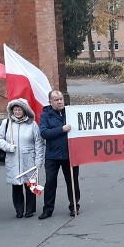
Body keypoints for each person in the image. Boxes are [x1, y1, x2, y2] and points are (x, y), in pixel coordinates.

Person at [0, 98, 45, 218]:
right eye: (15, 110)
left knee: (30, 185)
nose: (17, 112)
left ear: (25, 111)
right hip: (13, 159)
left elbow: (38, 142)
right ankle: (19, 209)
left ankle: (30, 209)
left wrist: (39, 160)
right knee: (16, 186)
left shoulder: (32, 124)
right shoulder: (6, 123)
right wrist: (7, 146)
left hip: (29, 159)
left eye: (19, 109)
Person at [38, 90, 80, 219]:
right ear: (50, 102)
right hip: (52, 155)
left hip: (70, 153)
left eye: (61, 99)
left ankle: (74, 206)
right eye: (56, 100)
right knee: (50, 183)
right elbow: (44, 133)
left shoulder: (71, 112)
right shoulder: (45, 115)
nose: (60, 101)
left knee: (72, 181)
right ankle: (48, 209)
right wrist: (61, 129)